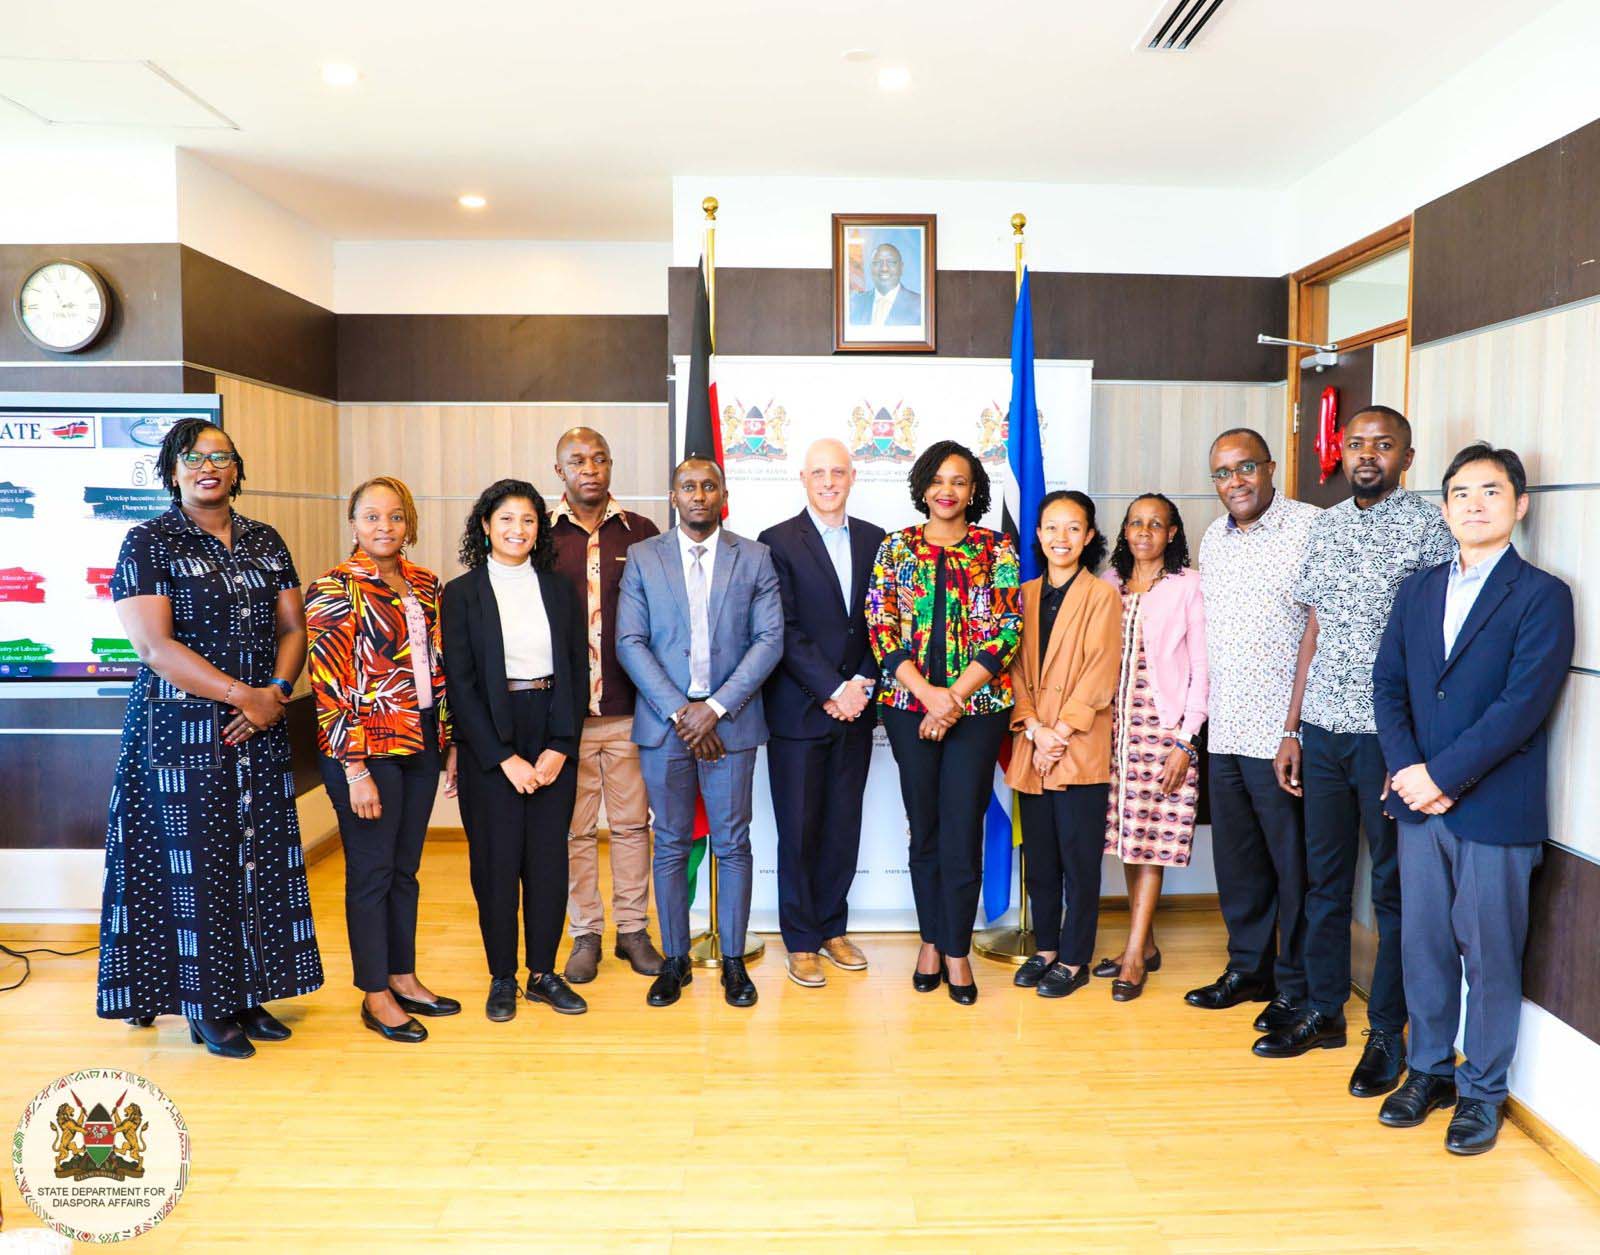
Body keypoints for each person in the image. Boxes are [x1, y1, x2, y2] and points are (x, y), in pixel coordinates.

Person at [98, 418, 322, 1058]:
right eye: (194, 457)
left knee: (256, 861)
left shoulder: (264, 540)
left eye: (221, 456)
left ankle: (249, 993)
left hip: (261, 725)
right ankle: (206, 1005)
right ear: (171, 469)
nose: (208, 466)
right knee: (195, 866)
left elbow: (292, 627)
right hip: (180, 732)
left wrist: (275, 694)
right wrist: (240, 696)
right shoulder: (149, 542)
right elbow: (153, 645)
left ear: (237, 470)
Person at [1373, 444, 1573, 1155]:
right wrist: (1407, 771)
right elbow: (1388, 686)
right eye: (1460, 492)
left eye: (1491, 491)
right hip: (1417, 804)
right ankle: (1428, 1071)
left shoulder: (1544, 595)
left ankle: (1483, 1090)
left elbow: (1521, 707)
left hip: (1493, 810)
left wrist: (1441, 776)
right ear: (1445, 507)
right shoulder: (1417, 588)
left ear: (1519, 504)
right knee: (1424, 947)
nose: (1474, 503)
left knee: (1488, 954)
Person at [1255, 406, 1457, 1100]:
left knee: (1394, 890)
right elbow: (1312, 628)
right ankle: (1322, 1012)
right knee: (1323, 881)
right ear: (1340, 453)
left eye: (1384, 445)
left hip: (1388, 736)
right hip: (1323, 731)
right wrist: (1290, 728)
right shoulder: (1326, 525)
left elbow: (1437, 644)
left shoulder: (1429, 528)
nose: (1367, 454)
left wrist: (1412, 751)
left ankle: (1384, 1031)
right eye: (1357, 444)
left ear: (1407, 454)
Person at [615, 457, 783, 1009]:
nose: (699, 495)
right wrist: (681, 712)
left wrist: (712, 708)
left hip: (730, 725)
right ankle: (675, 961)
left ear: (723, 494)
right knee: (669, 842)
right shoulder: (642, 557)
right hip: (667, 730)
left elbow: (769, 641)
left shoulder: (754, 557)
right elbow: (630, 642)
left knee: (733, 843)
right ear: (673, 496)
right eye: (688, 486)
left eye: (709, 486)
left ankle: (733, 961)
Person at [305, 476, 459, 1044]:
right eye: (371, 517)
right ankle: (374, 994)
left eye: (395, 517)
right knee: (370, 872)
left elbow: (439, 668)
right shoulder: (332, 588)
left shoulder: (426, 584)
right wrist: (354, 768)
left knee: (405, 869)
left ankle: (403, 975)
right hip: (363, 750)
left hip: (419, 742)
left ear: (409, 523)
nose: (384, 527)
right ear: (353, 523)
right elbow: (328, 685)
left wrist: (449, 743)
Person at [867, 439, 1021, 1005]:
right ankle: (930, 938)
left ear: (974, 489)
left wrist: (951, 699)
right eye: (937, 480)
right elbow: (881, 627)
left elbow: (1007, 631)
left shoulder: (996, 550)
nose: (947, 490)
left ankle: (956, 948)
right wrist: (928, 697)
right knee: (925, 827)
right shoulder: (895, 548)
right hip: (908, 708)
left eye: (959, 481)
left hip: (978, 713)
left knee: (962, 829)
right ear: (923, 487)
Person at [441, 480, 589, 1023]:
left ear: (538, 528)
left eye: (527, 520)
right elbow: (461, 683)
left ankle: (544, 974)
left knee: (548, 861)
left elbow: (577, 669)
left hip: (550, 725)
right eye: (505, 519)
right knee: (496, 864)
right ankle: (502, 975)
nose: (517, 530)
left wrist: (560, 747)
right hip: (491, 741)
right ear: (485, 525)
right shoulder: (461, 594)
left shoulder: (558, 588)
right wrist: (503, 757)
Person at [1188, 429, 1318, 1036]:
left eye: (1245, 469)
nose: (1234, 482)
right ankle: (1249, 969)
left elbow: (1321, 632)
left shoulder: (1310, 528)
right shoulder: (1214, 538)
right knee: (1239, 865)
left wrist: (1292, 728)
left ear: (1270, 469)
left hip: (1282, 737)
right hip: (1227, 727)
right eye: (1221, 473)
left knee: (1292, 866)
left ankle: (1296, 985)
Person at [757, 439, 886, 988]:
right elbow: (783, 630)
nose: (829, 481)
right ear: (802, 479)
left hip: (855, 711)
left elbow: (881, 623)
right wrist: (832, 688)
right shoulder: (777, 542)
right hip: (800, 713)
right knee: (800, 829)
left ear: (853, 476)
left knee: (842, 826)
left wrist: (856, 689)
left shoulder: (877, 539)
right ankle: (802, 940)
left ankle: (833, 928)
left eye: (838, 472)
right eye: (819, 473)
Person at [548, 427, 665, 984]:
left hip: (628, 712)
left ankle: (633, 930)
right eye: (577, 461)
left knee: (630, 827)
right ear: (560, 472)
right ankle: (585, 933)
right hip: (563, 719)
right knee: (572, 832)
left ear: (611, 465)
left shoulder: (641, 533)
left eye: (599, 458)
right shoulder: (540, 538)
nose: (589, 468)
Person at [1005, 491, 1120, 1000]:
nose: (1061, 538)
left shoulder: (1102, 595)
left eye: (1073, 528)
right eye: (1052, 528)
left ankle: (1074, 957)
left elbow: (1101, 672)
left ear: (1090, 536)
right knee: (1042, 859)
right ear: (1038, 534)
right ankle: (1046, 947)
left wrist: (1061, 731)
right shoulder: (1024, 594)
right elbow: (1011, 668)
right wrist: (1033, 727)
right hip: (1034, 745)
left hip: (1078, 745)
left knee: (1079, 860)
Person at [1095, 494, 1206, 1000]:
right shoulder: (1108, 585)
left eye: (1156, 524)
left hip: (1164, 733)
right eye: (1136, 523)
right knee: (1124, 834)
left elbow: (1203, 668)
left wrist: (1187, 739)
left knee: (1153, 838)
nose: (1144, 531)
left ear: (1172, 534)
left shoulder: (1189, 586)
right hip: (1113, 732)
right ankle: (1147, 941)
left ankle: (1134, 955)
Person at [848, 242, 921, 327]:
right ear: (871, 268)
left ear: (901, 267)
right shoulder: (855, 303)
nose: (884, 268)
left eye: (891, 262)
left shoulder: (920, 304)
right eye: (877, 262)